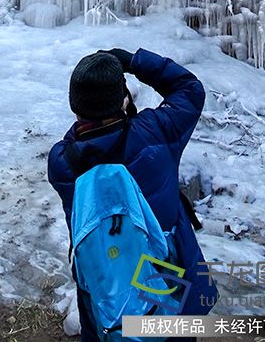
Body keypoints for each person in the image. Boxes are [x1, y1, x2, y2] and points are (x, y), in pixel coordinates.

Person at [48, 48, 219, 342]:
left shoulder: (63, 162)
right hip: (168, 284)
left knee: (110, 331)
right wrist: (133, 61)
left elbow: (78, 138)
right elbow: (189, 89)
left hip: (104, 290)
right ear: (124, 99)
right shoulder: (156, 132)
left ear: (75, 106)